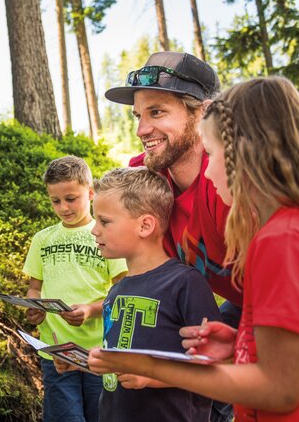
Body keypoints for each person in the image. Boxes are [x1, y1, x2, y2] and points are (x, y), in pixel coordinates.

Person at [87, 77, 299, 421]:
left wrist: (154, 367)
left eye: (212, 154)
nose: (209, 171)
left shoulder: (286, 240)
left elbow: (280, 387)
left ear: (242, 157)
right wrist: (240, 345)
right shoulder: (295, 231)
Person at [79, 166, 220, 422]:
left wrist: (153, 377)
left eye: (105, 221)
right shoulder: (117, 290)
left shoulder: (185, 283)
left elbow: (216, 367)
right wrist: (85, 361)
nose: (94, 230)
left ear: (145, 225)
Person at [105, 51, 242, 310]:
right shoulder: (145, 177)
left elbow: (291, 286)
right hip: (245, 304)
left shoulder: (229, 179)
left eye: (156, 112)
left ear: (204, 113)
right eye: (138, 116)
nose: (141, 130)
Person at [23, 156, 127, 422]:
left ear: (90, 193)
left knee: (100, 415)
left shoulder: (106, 234)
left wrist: (91, 310)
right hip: (56, 350)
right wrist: (33, 308)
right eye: (55, 201)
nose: (63, 208)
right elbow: (35, 288)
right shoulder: (42, 239)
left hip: (99, 351)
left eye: (71, 199)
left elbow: (121, 292)